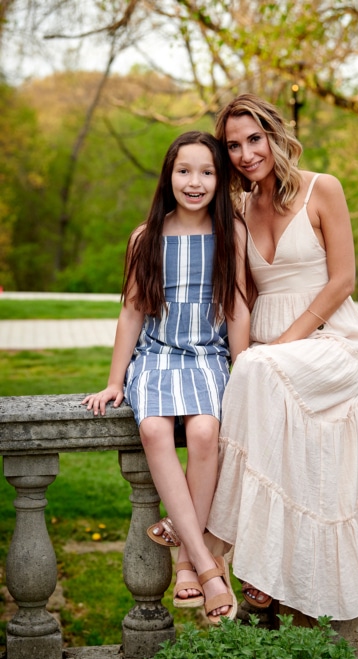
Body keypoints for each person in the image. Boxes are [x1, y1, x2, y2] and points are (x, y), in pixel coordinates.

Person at [205, 94, 358, 621]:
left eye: (253, 138)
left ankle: (213, 540)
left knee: (258, 368)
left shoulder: (322, 188)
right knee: (255, 378)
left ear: (275, 135)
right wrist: (243, 358)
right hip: (267, 357)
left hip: (332, 342)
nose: (244, 153)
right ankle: (260, 569)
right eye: (233, 145)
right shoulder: (238, 210)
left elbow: (344, 279)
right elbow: (241, 295)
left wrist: (282, 344)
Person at [82, 131, 250, 624]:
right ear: (168, 175)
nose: (194, 182)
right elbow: (133, 312)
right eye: (184, 171)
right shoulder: (146, 237)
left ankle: (183, 560)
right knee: (154, 427)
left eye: (207, 172)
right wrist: (115, 381)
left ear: (220, 181)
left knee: (203, 430)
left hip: (206, 354)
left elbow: (237, 305)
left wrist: (243, 366)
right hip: (157, 356)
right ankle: (206, 567)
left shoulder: (231, 233)